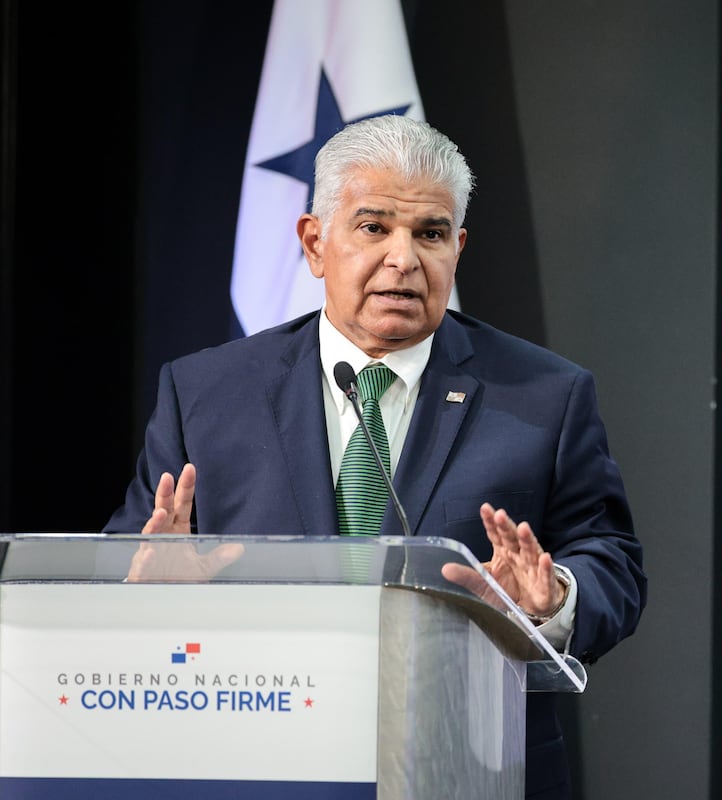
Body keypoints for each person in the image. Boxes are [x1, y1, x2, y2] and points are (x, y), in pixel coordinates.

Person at [104, 113, 647, 800]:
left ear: (457, 249)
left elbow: (611, 560)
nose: (403, 258)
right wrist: (145, 596)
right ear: (315, 243)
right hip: (258, 762)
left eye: (431, 233)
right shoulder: (206, 392)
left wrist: (553, 599)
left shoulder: (545, 395)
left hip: (471, 767)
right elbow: (132, 555)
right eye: (373, 227)